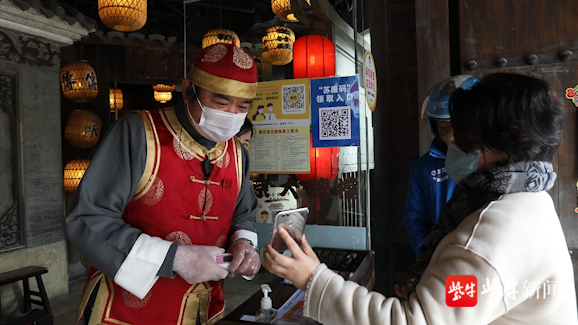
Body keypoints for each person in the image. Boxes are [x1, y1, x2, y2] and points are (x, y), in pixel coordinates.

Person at [263, 73, 578, 325]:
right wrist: (433, 283)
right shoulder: (530, 200)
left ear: (501, 138)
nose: (453, 143)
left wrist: (313, 279)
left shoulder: (493, 234)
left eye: (463, 134)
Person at [66, 43, 261, 325]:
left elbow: (243, 214)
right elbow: (88, 217)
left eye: (241, 107)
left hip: (202, 306)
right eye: (220, 103)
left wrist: (244, 243)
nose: (231, 114)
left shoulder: (237, 152)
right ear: (188, 90)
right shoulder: (138, 133)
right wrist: (176, 258)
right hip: (126, 311)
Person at [404, 75, 478, 255]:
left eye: (455, 121)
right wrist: (429, 259)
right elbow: (415, 220)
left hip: (483, 258)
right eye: (442, 121)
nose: (448, 127)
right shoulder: (423, 168)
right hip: (443, 258)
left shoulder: (490, 159)